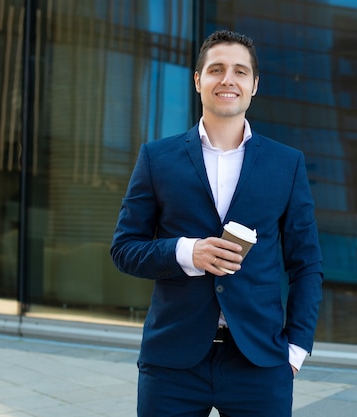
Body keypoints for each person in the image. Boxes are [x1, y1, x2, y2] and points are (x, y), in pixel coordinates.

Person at [110, 30, 323, 417]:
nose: (228, 79)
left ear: (254, 85)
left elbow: (306, 264)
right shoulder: (157, 159)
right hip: (172, 361)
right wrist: (187, 251)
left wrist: (295, 350)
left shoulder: (286, 163)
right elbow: (124, 249)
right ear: (198, 80)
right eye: (217, 69)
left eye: (240, 71)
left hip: (259, 361)